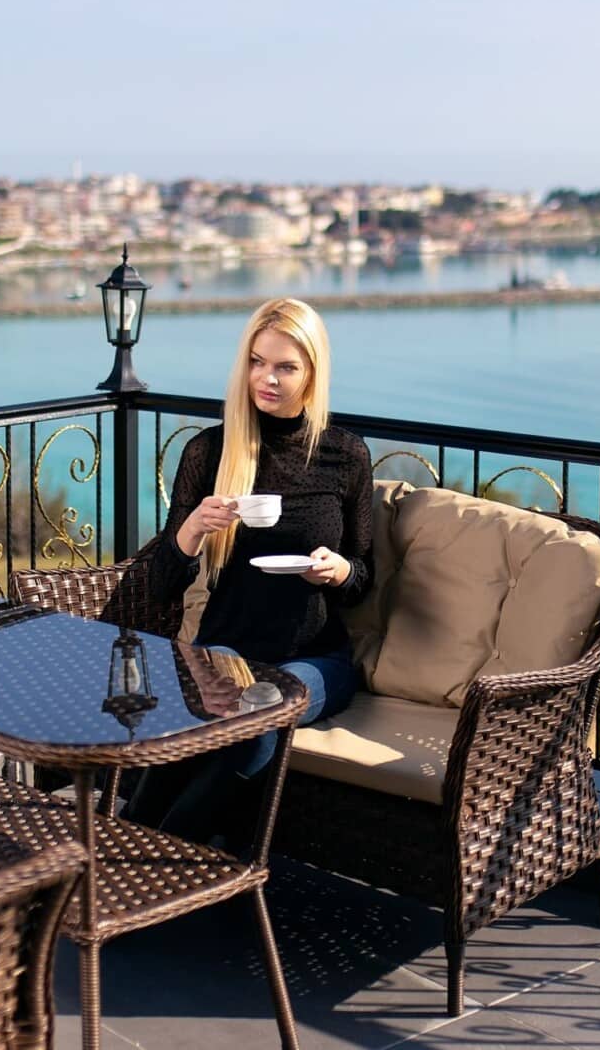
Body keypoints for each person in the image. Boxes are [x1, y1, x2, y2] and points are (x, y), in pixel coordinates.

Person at [122, 296, 373, 841]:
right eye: (257, 362)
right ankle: (137, 841)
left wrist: (337, 571)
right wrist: (191, 530)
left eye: (286, 367)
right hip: (225, 650)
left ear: (312, 374)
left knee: (259, 718)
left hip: (315, 658)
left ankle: (156, 851)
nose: (268, 378)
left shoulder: (346, 455)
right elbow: (161, 588)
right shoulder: (210, 452)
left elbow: (361, 579)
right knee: (216, 719)